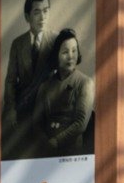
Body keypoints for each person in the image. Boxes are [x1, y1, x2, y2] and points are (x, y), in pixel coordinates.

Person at [3, 0, 56, 160]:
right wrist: (11, 108)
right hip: (24, 107)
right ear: (27, 17)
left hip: (48, 107)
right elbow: (10, 80)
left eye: (46, 11)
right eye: (37, 12)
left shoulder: (56, 41)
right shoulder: (18, 44)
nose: (43, 17)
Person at [35, 27, 95, 158]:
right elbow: (36, 122)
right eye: (65, 52)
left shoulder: (85, 83)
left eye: (74, 51)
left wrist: (56, 141)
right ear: (56, 55)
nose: (71, 56)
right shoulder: (45, 86)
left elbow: (81, 123)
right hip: (46, 151)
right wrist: (45, 143)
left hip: (72, 154)